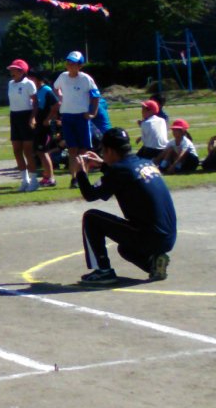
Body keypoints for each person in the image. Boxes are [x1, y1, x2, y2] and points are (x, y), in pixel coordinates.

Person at [72, 127, 176, 285]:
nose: (103, 155)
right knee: (126, 249)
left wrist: (80, 173)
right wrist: (104, 165)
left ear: (110, 151)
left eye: (103, 151)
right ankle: (154, 263)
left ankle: (103, 271)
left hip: (149, 236)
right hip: (167, 237)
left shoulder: (119, 170)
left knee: (91, 218)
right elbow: (124, 174)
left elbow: (90, 194)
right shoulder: (145, 162)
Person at [52, 50, 100, 176]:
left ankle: (83, 176)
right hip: (67, 116)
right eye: (68, 63)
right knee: (72, 149)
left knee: (83, 150)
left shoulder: (85, 79)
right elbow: (55, 87)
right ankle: (74, 178)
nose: (70, 65)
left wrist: (93, 113)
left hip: (81, 117)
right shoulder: (63, 76)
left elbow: (96, 96)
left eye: (73, 63)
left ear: (80, 66)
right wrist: (60, 96)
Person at [5, 59, 42, 190]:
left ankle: (34, 180)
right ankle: (25, 180)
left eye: (14, 69)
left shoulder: (29, 83)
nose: (12, 72)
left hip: (26, 116)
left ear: (22, 71)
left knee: (27, 151)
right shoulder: (10, 83)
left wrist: (32, 118)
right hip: (14, 116)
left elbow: (35, 102)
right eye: (11, 69)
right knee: (16, 150)